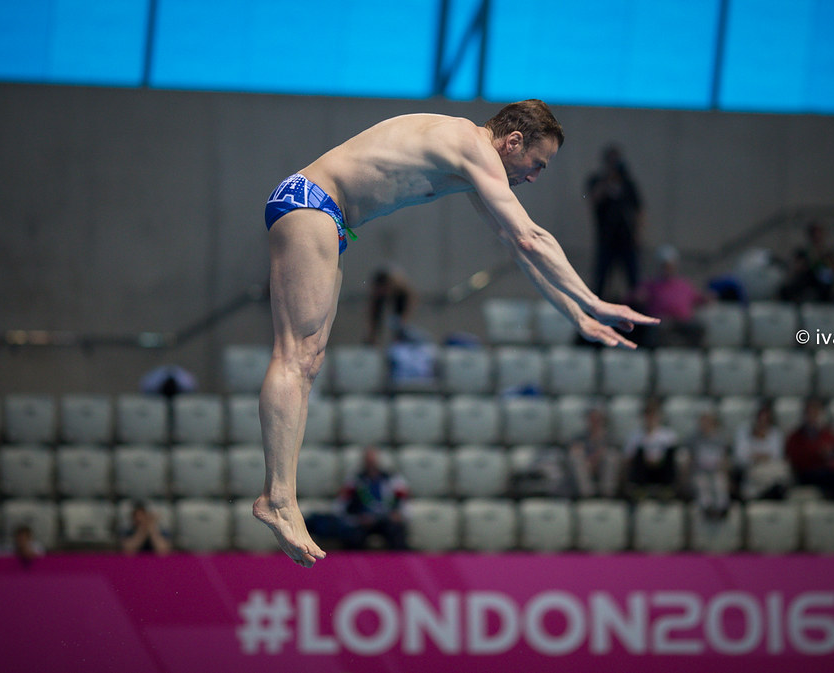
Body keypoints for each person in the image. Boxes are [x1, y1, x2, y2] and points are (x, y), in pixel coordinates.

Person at [255, 100, 659, 566]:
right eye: (537, 163)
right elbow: (532, 236)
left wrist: (575, 313)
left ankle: (281, 495)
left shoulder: (468, 161)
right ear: (513, 142)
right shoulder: (469, 145)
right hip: (311, 202)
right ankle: (278, 498)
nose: (534, 177)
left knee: (308, 361)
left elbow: (516, 247)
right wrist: (593, 299)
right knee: (296, 356)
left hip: (324, 213)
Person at [585, 145, 644, 298]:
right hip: (606, 238)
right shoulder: (597, 180)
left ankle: (636, 311)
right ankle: (595, 310)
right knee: (601, 278)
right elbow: (593, 199)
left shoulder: (627, 183)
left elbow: (639, 209)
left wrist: (638, 233)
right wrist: (608, 180)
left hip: (626, 238)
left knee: (633, 278)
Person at [629, 245, 713, 347]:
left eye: (670, 265)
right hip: (662, 322)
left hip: (683, 322)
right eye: (665, 265)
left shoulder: (684, 285)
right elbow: (634, 297)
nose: (667, 268)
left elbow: (699, 298)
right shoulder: (650, 285)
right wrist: (637, 297)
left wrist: (709, 297)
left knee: (699, 327)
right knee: (661, 328)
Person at [335, 447, 409, 551]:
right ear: (364, 462)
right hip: (362, 521)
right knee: (352, 535)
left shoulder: (392, 479)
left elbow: (403, 501)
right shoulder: (354, 480)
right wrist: (356, 519)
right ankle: (354, 564)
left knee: (397, 531)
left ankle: (399, 564)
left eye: (373, 461)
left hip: (386, 519)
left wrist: (399, 514)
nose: (371, 464)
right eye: (368, 461)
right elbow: (340, 505)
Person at [622, 398, 681, 499]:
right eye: (648, 415)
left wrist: (656, 460)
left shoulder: (668, 435)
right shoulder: (635, 436)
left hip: (661, 470)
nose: (650, 419)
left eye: (653, 415)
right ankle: (639, 488)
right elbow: (628, 457)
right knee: (639, 452)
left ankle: (667, 488)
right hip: (644, 471)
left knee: (670, 451)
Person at [732, 402, 790, 500]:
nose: (762, 422)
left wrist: (757, 456)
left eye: (766, 419)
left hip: (770, 469)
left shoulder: (776, 433)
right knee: (756, 474)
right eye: (760, 418)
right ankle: (765, 491)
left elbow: (777, 456)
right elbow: (740, 457)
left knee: (782, 469)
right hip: (751, 469)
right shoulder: (743, 432)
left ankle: (767, 491)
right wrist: (760, 457)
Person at [567, 406, 621, 498]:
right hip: (586, 470)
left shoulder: (611, 440)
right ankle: (587, 495)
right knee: (576, 456)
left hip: (603, 470)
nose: (594, 423)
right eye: (592, 419)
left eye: (597, 420)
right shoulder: (580, 438)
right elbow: (573, 450)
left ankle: (607, 494)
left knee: (611, 457)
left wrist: (597, 458)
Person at [685, 412, 732, 518]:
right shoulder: (694, 439)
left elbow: (725, 458)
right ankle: (707, 509)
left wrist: (725, 470)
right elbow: (689, 457)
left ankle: (722, 507)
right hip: (700, 471)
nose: (704, 426)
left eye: (707, 423)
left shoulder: (721, 438)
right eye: (702, 423)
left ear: (713, 424)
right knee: (702, 484)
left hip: (717, 470)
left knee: (719, 482)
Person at [366, 266, 416, 345]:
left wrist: (402, 322)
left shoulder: (401, 290)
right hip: (387, 289)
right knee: (376, 319)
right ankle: (372, 339)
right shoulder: (378, 294)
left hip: (400, 294)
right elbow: (373, 314)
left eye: (385, 290)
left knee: (398, 324)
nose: (383, 292)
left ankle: (398, 338)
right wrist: (372, 334)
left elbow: (406, 308)